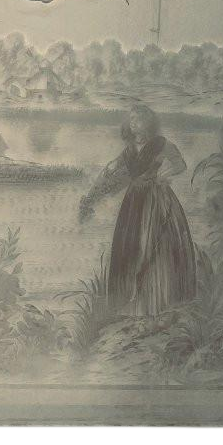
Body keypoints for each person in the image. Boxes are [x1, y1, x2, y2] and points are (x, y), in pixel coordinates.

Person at [79, 102, 197, 318]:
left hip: (156, 200)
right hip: (133, 201)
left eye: (137, 118)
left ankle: (159, 301)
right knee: (131, 246)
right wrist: (95, 192)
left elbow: (180, 164)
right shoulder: (129, 150)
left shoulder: (161, 144)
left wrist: (165, 174)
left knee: (153, 244)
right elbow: (112, 168)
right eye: (131, 118)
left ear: (148, 122)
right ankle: (130, 301)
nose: (132, 122)